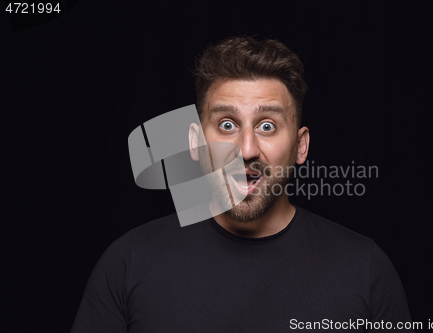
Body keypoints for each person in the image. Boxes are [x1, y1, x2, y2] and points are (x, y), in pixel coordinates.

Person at [71, 36, 415, 332]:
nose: (246, 150)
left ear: (300, 145)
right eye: (226, 125)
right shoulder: (129, 263)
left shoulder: (365, 270)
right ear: (195, 143)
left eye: (267, 126)